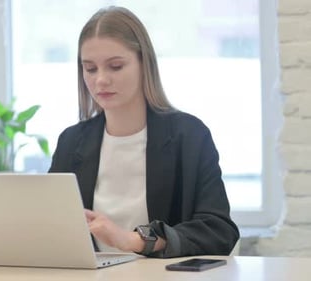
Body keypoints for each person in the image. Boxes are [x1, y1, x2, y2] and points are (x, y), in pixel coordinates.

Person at [48, 6, 240, 258]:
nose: (101, 80)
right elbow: (49, 227)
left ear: (144, 64)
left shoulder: (189, 135)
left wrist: (134, 240)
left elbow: (219, 230)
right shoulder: (71, 141)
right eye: (90, 69)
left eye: (115, 66)